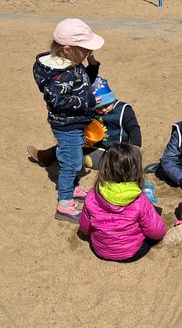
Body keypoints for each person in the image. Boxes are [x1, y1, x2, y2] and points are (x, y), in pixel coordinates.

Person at [32, 18, 104, 223]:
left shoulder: (72, 64)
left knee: (74, 156)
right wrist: (88, 100)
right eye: (85, 49)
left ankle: (73, 187)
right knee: (70, 163)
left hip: (76, 122)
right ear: (66, 49)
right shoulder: (58, 76)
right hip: (67, 125)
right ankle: (64, 204)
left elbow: (81, 81)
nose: (88, 52)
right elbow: (59, 100)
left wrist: (92, 67)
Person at [27, 76, 142, 170]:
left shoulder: (124, 111)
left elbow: (134, 129)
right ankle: (45, 156)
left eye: (107, 105)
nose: (103, 110)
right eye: (99, 108)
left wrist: (134, 149)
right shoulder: (89, 109)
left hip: (115, 149)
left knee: (101, 161)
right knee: (71, 143)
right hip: (93, 143)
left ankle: (85, 160)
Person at [79, 143, 167, 262]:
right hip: (131, 253)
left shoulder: (92, 195)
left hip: (100, 250)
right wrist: (160, 236)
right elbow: (156, 231)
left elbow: (85, 227)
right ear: (136, 171)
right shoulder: (139, 199)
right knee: (154, 213)